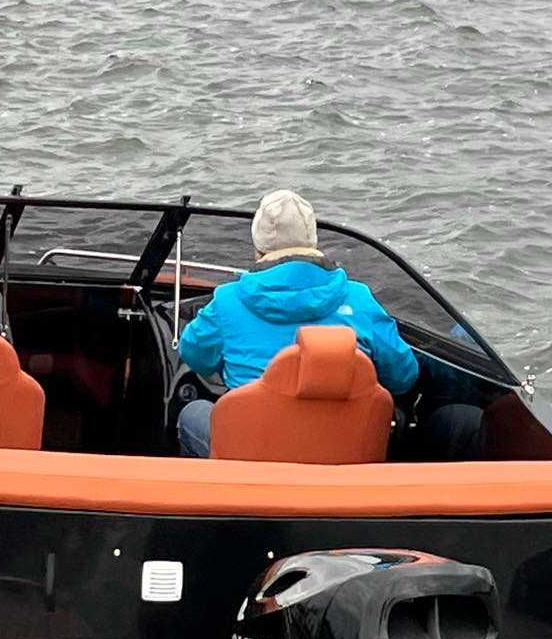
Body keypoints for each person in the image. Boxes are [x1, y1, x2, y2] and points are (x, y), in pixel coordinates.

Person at [176, 189, 419, 457]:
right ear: (313, 243)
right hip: (343, 458)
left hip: (254, 460)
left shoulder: (226, 301)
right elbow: (403, 376)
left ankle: (218, 496)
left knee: (192, 414)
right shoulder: (359, 298)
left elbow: (194, 354)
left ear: (259, 249)